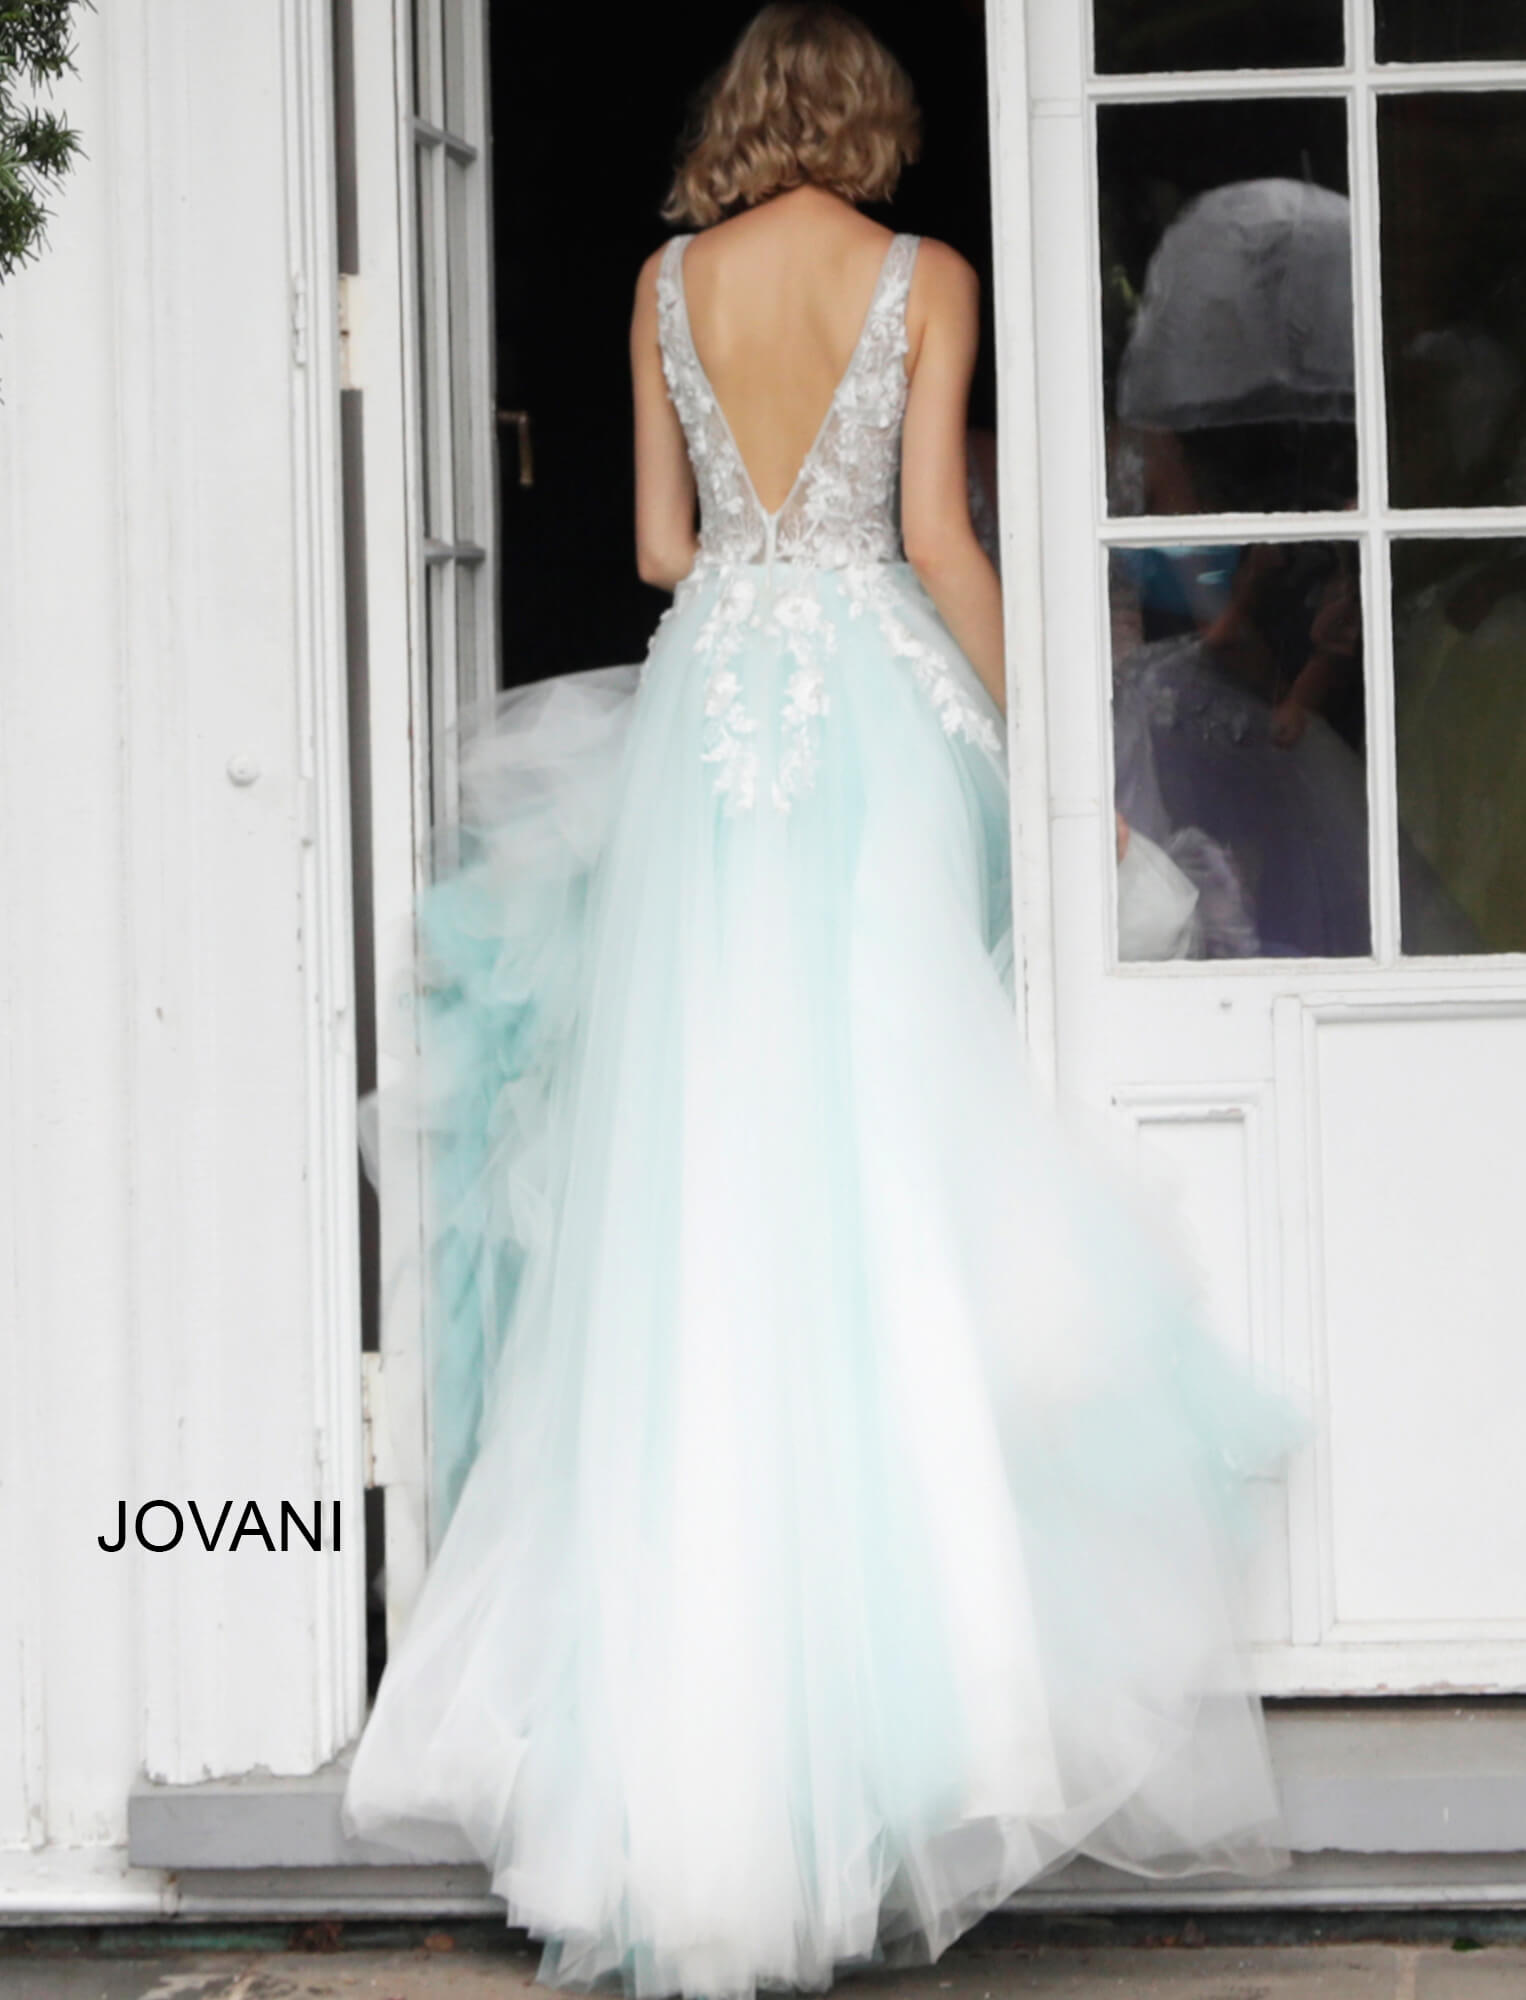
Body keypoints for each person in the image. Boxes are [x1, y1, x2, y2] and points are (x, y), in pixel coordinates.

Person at [341, 8, 1309, 1995]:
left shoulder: (662, 287)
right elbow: (936, 537)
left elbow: (656, 547)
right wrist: (1053, 761)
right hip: (864, 712)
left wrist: (756, 570)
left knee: (705, 1177)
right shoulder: (921, 274)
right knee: (883, 1160)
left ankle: (686, 1761)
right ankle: (906, 1701)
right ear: (868, 118)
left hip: (711, 719)